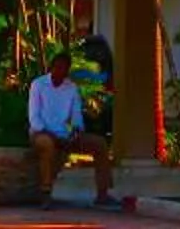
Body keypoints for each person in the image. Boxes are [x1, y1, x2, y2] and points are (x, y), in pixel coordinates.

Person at [27, 49, 115, 206]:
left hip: (64, 135)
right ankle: (45, 193)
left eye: (64, 69)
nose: (60, 72)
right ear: (51, 68)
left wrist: (76, 131)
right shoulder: (38, 85)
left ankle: (103, 193)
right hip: (42, 133)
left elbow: (76, 116)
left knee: (99, 144)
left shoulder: (71, 88)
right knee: (47, 146)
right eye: (58, 67)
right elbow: (34, 118)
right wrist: (53, 136)